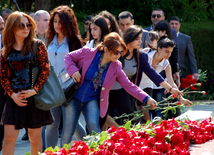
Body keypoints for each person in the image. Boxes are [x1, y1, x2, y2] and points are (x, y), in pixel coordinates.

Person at [62, 32, 157, 146]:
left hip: (92, 100)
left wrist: (147, 98)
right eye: (116, 52)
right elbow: (69, 57)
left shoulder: (116, 66)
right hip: (74, 97)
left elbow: (129, 85)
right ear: (106, 48)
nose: (118, 55)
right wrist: (73, 71)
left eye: (121, 53)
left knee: (94, 126)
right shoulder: (87, 52)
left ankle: (97, 152)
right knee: (68, 131)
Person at [0, 11, 53, 155]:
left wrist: (34, 90)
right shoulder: (6, 50)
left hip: (34, 97)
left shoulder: (38, 45)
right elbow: (3, 77)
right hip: (14, 98)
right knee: (9, 138)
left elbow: (45, 70)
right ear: (12, 27)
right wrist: (12, 95)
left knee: (35, 138)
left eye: (28, 24)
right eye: (21, 25)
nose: (26, 28)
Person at [108, 25, 181, 124]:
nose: (140, 42)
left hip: (124, 89)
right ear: (130, 38)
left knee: (128, 117)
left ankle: (125, 136)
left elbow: (153, 74)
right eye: (137, 39)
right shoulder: (117, 52)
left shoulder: (141, 56)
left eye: (140, 39)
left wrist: (171, 89)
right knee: (103, 117)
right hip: (106, 89)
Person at [45, 5, 84, 148]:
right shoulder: (49, 39)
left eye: (60, 22)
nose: (57, 25)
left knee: (70, 124)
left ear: (68, 23)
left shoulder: (75, 42)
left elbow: (80, 67)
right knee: (52, 124)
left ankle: (88, 145)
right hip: (52, 88)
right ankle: (49, 151)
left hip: (70, 88)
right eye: (55, 21)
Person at [140, 36, 192, 120]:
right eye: (167, 51)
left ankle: (147, 128)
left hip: (147, 85)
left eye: (170, 52)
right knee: (134, 109)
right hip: (135, 83)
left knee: (145, 109)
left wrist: (181, 99)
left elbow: (171, 83)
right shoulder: (146, 52)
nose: (169, 55)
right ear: (159, 49)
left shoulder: (166, 64)